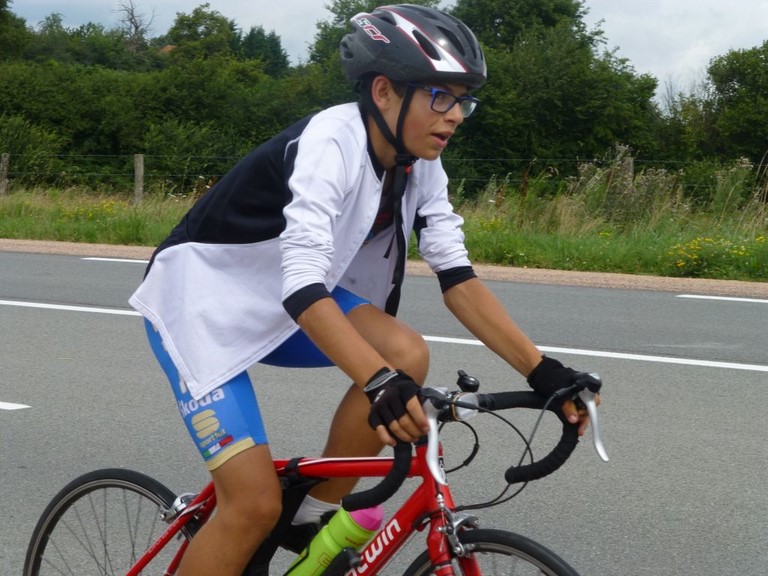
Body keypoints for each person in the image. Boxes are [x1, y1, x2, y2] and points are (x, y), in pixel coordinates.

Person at [129, 5, 601, 575]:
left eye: (463, 101)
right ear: (383, 91)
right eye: (440, 97)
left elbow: (457, 277)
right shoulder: (331, 143)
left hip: (286, 302)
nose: (455, 116)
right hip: (201, 310)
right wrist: (379, 384)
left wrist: (542, 370)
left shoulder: (419, 162)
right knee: (251, 505)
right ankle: (266, 518)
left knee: (406, 351)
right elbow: (303, 284)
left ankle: (311, 515)